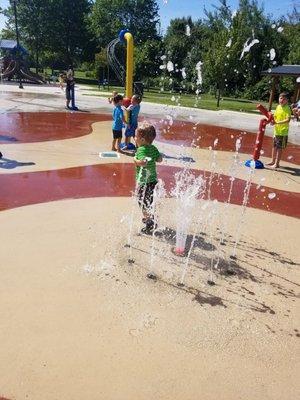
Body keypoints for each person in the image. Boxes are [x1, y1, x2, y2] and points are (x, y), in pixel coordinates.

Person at [134, 123, 163, 233]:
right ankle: (151, 217)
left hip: (144, 182)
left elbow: (142, 163)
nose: (134, 138)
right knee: (150, 201)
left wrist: (135, 161)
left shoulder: (141, 150)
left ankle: (149, 221)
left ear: (141, 139)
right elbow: (159, 159)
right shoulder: (153, 148)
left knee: (142, 202)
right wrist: (157, 156)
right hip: (153, 181)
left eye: (135, 137)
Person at [267, 92, 291, 169]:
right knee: (274, 147)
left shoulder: (287, 108)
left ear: (287, 100)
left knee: (279, 148)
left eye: (284, 99)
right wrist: (272, 121)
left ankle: (277, 163)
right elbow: (275, 116)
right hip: (276, 131)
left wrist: (277, 122)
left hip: (283, 132)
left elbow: (288, 120)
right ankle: (272, 161)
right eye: (280, 98)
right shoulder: (278, 107)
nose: (282, 100)